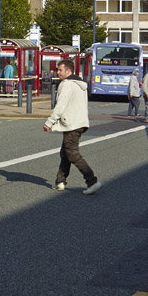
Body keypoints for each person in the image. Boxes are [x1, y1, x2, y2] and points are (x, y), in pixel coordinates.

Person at [43, 58, 102, 195]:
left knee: (72, 152)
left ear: (68, 71)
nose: (58, 72)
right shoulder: (80, 84)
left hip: (72, 123)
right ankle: (60, 181)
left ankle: (92, 181)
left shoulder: (68, 84)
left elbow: (60, 106)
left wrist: (49, 122)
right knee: (65, 152)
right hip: (79, 121)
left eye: (60, 70)